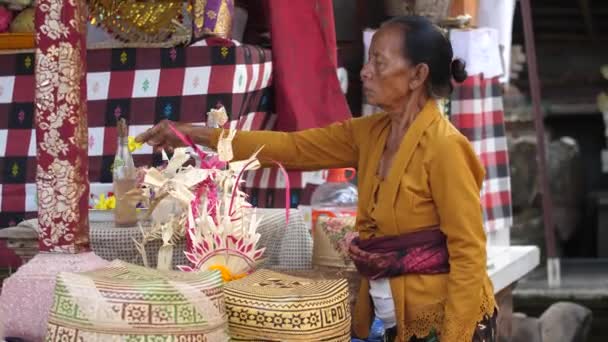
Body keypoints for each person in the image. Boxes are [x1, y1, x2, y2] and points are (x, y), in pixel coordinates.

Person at [136, 15, 497, 342]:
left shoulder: (446, 147)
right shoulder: (370, 133)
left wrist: (455, 337)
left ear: (417, 75)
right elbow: (292, 148)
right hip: (392, 320)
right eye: (368, 60)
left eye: (379, 62)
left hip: (444, 323)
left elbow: (468, 253)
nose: (365, 72)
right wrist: (195, 134)